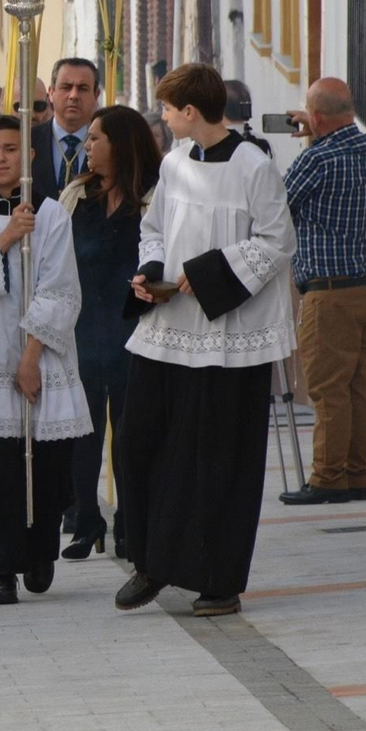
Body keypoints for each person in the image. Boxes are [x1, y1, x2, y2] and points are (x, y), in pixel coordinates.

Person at [114, 64, 296, 619]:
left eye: (167, 110)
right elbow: (155, 228)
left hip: (229, 336)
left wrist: (214, 270)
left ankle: (218, 580)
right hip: (169, 329)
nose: (163, 119)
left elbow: (277, 241)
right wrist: (150, 269)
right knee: (139, 443)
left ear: (190, 112)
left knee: (219, 459)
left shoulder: (254, 166)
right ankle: (151, 561)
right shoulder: (173, 163)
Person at [0, 115, 90, 607]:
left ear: (27, 156)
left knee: (47, 464)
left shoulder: (50, 214)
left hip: (40, 354)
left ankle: (41, 551)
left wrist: (32, 356)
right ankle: (2, 569)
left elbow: (62, 289)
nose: (1, 157)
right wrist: (5, 238)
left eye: (10, 149)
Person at [277, 77, 366, 505]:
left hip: (327, 293)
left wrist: (311, 139)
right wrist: (320, 130)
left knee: (328, 391)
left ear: (315, 116)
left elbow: (280, 206)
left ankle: (327, 478)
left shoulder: (317, 159)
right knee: (359, 387)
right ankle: (357, 476)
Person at [57, 105, 161, 560]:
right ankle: (85, 520)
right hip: (83, 329)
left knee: (131, 433)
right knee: (83, 432)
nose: (88, 146)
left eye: (96, 137)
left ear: (121, 144)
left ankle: (130, 522)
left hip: (135, 330)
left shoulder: (153, 198)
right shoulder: (76, 197)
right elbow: (57, 261)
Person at [30, 59, 100, 205]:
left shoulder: (108, 146)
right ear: (51, 92)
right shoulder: (27, 141)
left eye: (83, 88)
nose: (73, 95)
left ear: (96, 96)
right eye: (66, 87)